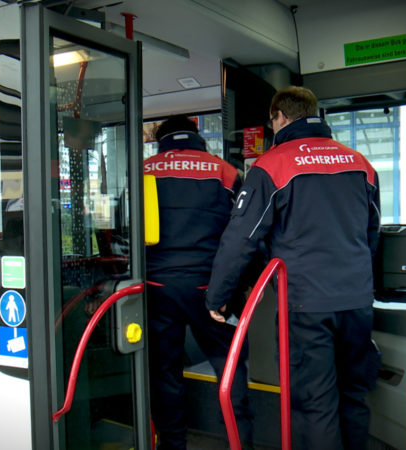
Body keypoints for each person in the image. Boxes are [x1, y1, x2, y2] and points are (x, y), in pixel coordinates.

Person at [206, 86, 382, 450]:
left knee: (314, 406)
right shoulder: (359, 162)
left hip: (304, 304)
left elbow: (241, 239)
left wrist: (219, 297)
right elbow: (372, 233)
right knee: (354, 398)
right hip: (358, 301)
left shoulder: (272, 164)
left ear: (280, 117)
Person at [144, 115, 253, 449]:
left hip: (157, 287)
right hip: (212, 289)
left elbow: (122, 228)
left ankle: (172, 444)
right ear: (197, 136)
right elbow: (244, 234)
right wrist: (241, 288)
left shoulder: (144, 171)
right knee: (230, 369)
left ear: (161, 138)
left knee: (165, 371)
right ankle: (240, 443)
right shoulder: (227, 172)